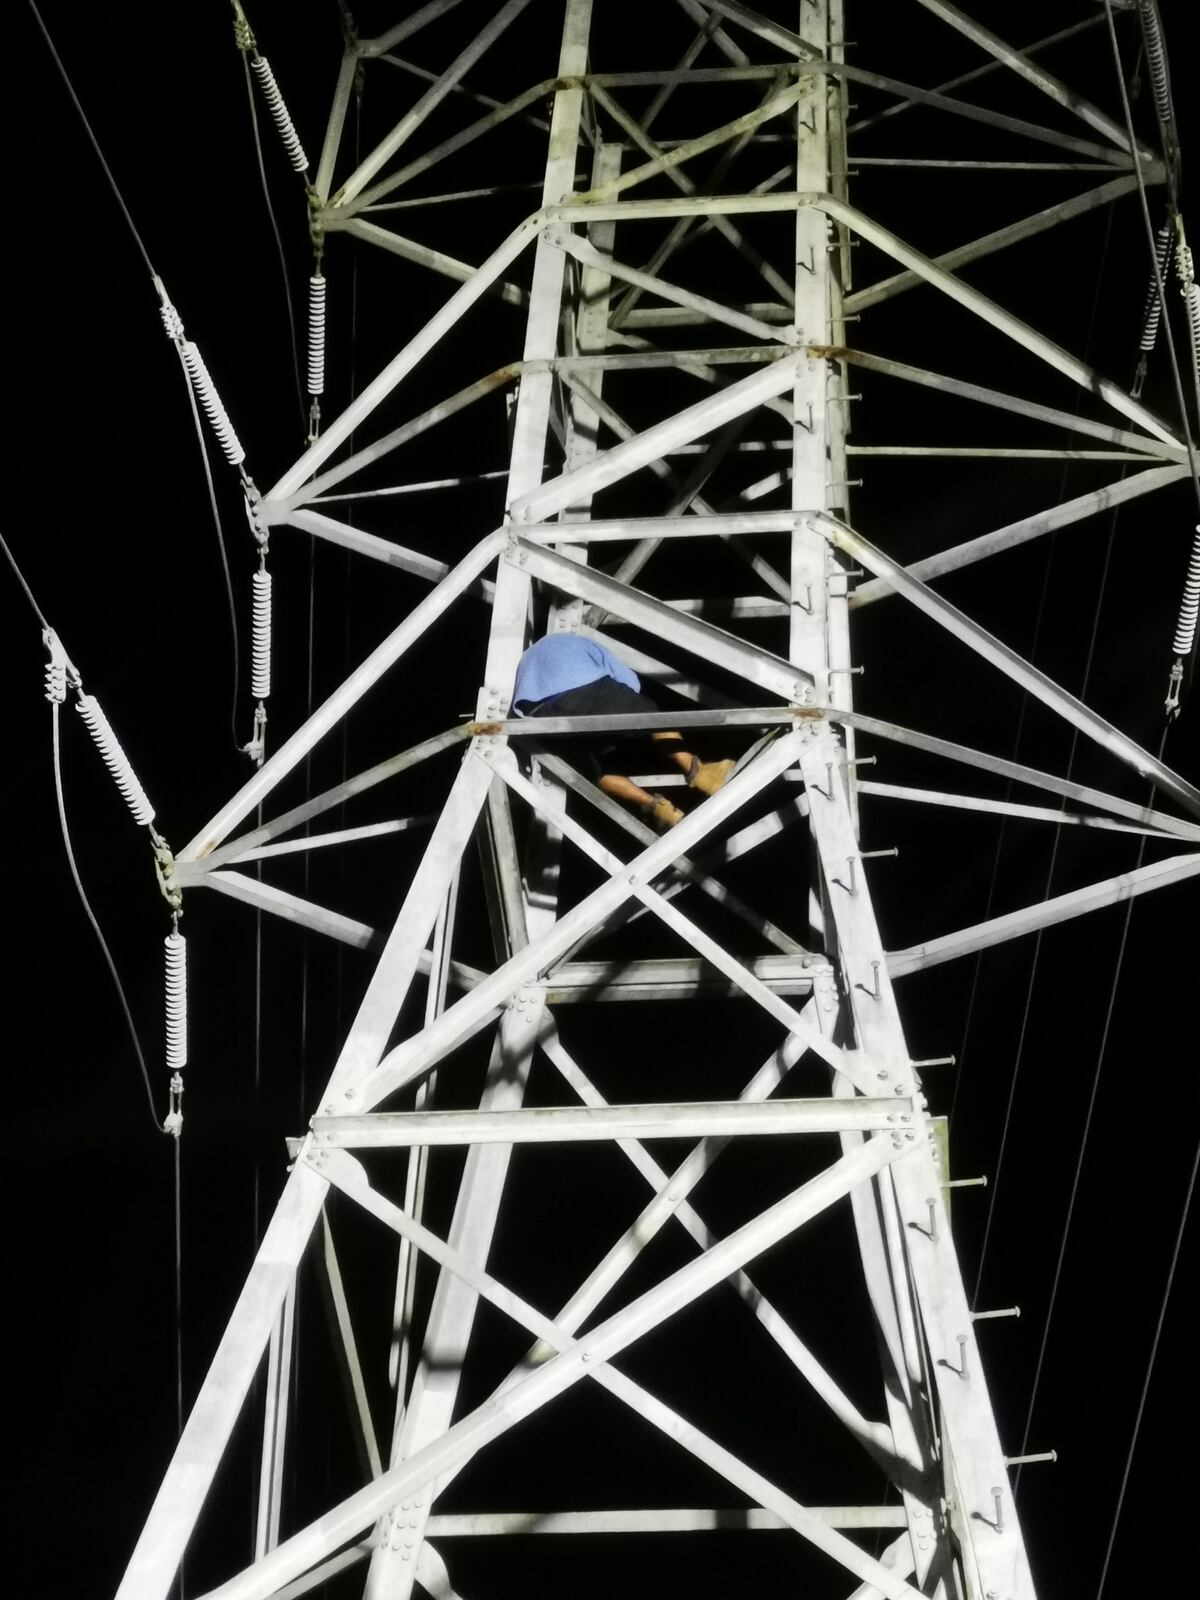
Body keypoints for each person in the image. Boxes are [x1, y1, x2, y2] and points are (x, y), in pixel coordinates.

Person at [512, 633, 735, 829]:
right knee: (650, 718)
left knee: (597, 771)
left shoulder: (530, 659)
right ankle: (699, 772)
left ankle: (656, 808)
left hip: (540, 715)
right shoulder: (574, 642)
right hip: (580, 684)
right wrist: (628, 702)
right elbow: (626, 679)